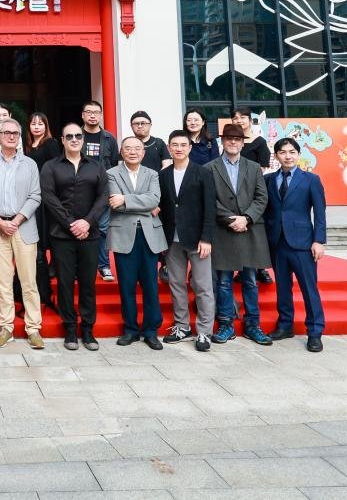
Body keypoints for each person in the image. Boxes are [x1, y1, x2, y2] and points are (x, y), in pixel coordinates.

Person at [39, 123, 107, 351]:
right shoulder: (50, 166)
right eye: (69, 136)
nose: (74, 139)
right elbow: (49, 197)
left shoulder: (96, 166)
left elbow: (103, 197)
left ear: (83, 139)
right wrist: (70, 223)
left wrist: (87, 221)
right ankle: (69, 328)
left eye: (78, 135)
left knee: (88, 283)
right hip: (62, 235)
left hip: (90, 234)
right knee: (65, 283)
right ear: (62, 140)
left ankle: (88, 329)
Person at [205, 124, 272, 345]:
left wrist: (247, 218)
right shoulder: (209, 168)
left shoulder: (253, 167)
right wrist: (231, 219)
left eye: (237, 139)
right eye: (228, 138)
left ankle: (253, 325)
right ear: (222, 142)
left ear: (243, 143)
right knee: (224, 281)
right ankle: (226, 324)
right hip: (224, 231)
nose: (233, 142)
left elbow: (262, 197)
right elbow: (209, 200)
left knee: (250, 281)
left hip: (250, 230)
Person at [0, 118, 44, 349]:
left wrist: (16, 221)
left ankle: (33, 328)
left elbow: (35, 195)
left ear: (19, 137)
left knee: (29, 282)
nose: (11, 136)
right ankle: (6, 327)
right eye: (6, 132)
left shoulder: (29, 164)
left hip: (23, 227)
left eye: (15, 133)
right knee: (3, 282)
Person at [265, 137, 327, 352]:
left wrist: (319, 240)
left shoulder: (311, 180)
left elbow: (320, 212)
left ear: (299, 155)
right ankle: (285, 325)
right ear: (276, 156)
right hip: (277, 242)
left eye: (292, 152)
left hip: (303, 243)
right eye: (283, 152)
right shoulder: (268, 179)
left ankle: (315, 332)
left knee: (309, 289)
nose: (288, 156)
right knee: (282, 288)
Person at [158, 129, 217, 353]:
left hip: (197, 239)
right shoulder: (163, 174)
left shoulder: (203, 173)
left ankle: (204, 331)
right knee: (176, 284)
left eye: (183, 145)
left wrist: (206, 238)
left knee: (203, 286)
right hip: (172, 239)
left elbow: (210, 207)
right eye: (175, 145)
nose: (179, 148)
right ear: (169, 148)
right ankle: (182, 326)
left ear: (190, 148)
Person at [107, 137, 167, 350]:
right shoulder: (111, 173)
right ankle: (130, 329)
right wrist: (141, 203)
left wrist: (126, 199)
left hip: (149, 235)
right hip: (123, 235)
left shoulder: (152, 174)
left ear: (143, 152)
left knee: (150, 285)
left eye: (137, 148)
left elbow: (154, 199)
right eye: (128, 148)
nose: (133, 152)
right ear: (122, 152)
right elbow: (114, 203)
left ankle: (151, 331)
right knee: (127, 285)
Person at [233, 106, 275, 284]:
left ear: (250, 121)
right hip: (234, 193)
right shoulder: (231, 141)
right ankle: (241, 268)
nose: (239, 121)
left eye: (243, 117)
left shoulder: (259, 142)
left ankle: (261, 268)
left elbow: (263, 168)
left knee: (256, 232)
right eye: (235, 118)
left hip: (253, 192)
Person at [22, 112, 60, 307]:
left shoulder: (50, 144)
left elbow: (56, 168)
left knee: (49, 229)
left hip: (46, 193)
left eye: (40, 124)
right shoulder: (28, 145)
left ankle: (53, 264)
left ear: (46, 126)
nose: (36, 127)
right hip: (32, 193)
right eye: (33, 124)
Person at [81, 100, 119, 281]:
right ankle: (81, 265)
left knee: (103, 228)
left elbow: (115, 165)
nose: (92, 115)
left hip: (103, 189)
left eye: (96, 112)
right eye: (89, 112)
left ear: (101, 115)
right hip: (80, 189)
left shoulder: (109, 139)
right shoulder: (76, 136)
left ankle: (104, 266)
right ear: (83, 115)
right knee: (81, 227)